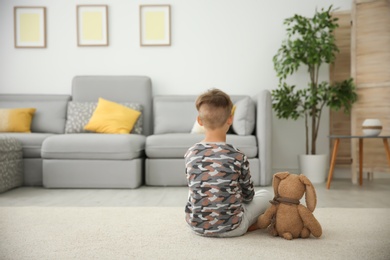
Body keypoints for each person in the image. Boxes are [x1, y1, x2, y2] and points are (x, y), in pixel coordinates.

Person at [184, 88, 271, 237]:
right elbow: (249, 197)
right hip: (233, 228)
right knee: (266, 195)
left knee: (193, 191)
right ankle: (249, 224)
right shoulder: (237, 155)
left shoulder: (190, 153)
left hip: (197, 227)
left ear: (199, 121)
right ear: (230, 119)